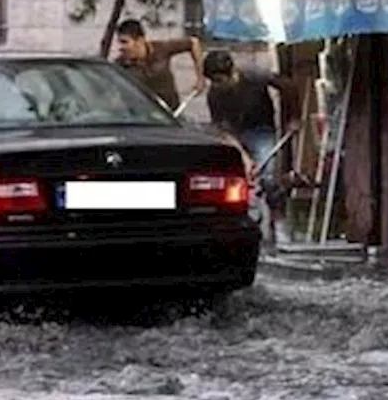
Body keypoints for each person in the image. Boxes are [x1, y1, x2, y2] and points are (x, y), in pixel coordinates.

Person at [203, 49, 298, 243]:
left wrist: (294, 117)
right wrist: (243, 157)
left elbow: (288, 86)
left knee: (269, 177)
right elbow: (223, 130)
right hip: (235, 135)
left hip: (261, 128)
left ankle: (279, 221)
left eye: (219, 81)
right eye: (213, 82)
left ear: (231, 74)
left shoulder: (254, 75)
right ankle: (246, 223)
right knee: (237, 180)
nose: (216, 86)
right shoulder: (214, 95)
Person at [113, 19, 205, 113]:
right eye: (119, 42)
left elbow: (193, 43)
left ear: (140, 40)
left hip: (172, 113)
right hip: (143, 116)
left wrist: (200, 78)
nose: (121, 48)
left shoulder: (161, 49)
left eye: (124, 42)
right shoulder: (120, 65)